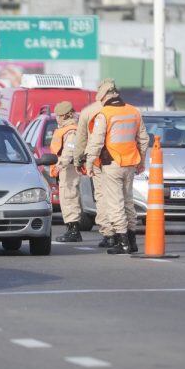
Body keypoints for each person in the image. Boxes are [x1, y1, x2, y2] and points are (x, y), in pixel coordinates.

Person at [85, 84, 149, 254]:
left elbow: (96, 142)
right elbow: (143, 139)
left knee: (115, 203)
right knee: (128, 202)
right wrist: (141, 161)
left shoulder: (104, 114)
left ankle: (123, 242)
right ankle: (132, 240)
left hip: (112, 164)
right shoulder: (134, 111)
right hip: (130, 164)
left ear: (104, 98)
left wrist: (89, 163)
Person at [73, 79, 118, 248]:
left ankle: (109, 234)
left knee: (102, 197)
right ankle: (124, 233)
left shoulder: (89, 112)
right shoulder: (128, 109)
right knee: (120, 197)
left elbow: (81, 140)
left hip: (100, 161)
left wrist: (78, 160)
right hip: (123, 161)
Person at [50, 101, 83, 243]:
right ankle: (70, 228)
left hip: (68, 168)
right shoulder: (65, 129)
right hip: (64, 168)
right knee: (66, 197)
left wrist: (60, 164)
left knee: (69, 197)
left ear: (64, 115)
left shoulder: (71, 130)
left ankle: (74, 230)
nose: (56, 118)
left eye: (58, 116)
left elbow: (70, 150)